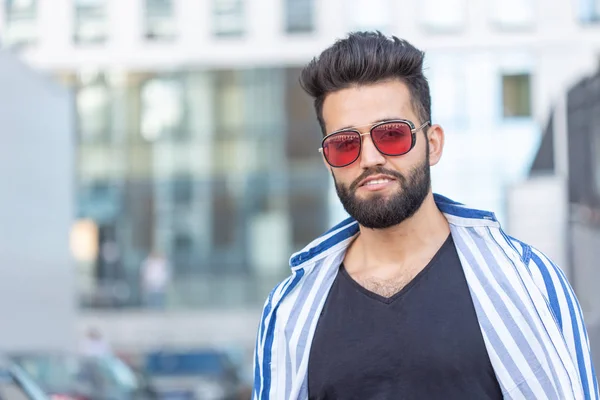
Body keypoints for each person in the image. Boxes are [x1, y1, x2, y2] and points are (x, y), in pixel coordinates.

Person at [252, 32, 599, 400]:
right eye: (345, 144)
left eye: (391, 135)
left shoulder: (528, 283)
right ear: (328, 161)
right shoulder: (290, 311)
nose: (370, 159)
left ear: (432, 144)